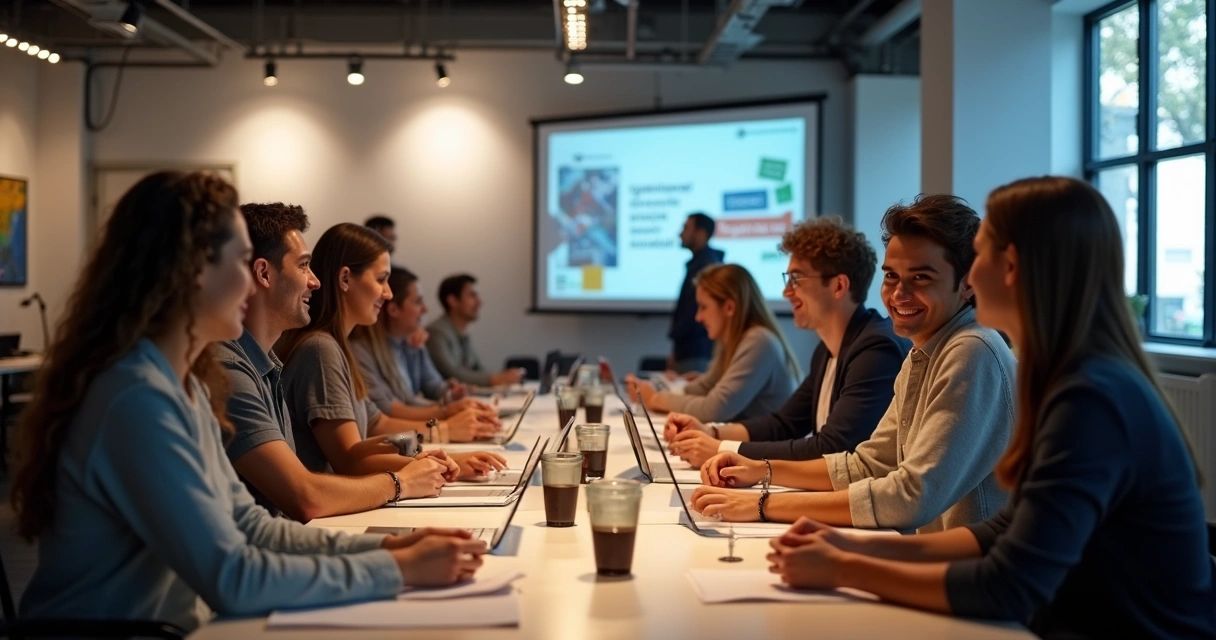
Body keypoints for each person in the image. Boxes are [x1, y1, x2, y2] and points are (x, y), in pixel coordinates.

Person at [12, 172, 486, 632]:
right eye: (241, 263)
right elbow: (231, 577)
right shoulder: (137, 399)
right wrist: (399, 572)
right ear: (192, 273)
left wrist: (391, 551)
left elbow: (252, 526)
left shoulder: (187, 386)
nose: (253, 281)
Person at [766, 177, 1215, 639]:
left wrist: (845, 570)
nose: (971, 276)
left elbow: (1009, 585)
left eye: (980, 255)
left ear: (1013, 268)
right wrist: (849, 549)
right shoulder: (1073, 379)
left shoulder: (1090, 397)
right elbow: (1000, 531)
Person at [693, 194, 1015, 534]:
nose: (899, 294)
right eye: (891, 276)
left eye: (921, 278)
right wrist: (762, 470)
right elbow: (870, 463)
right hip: (934, 563)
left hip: (963, 576)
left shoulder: (971, 351)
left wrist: (763, 504)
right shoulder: (926, 351)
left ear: (967, 283)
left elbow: (911, 495)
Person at [221, 203, 463, 522]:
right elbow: (311, 491)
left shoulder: (269, 363)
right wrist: (402, 480)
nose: (315, 282)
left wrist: (423, 453)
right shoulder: (242, 366)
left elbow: (375, 425)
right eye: (304, 266)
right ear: (264, 274)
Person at [663, 217, 909, 467]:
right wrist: (712, 432)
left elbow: (831, 448)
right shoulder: (828, 349)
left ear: (838, 286)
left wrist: (721, 449)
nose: (786, 292)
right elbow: (784, 424)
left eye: (796, 280)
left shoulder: (876, 351)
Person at [278, 224, 506, 478]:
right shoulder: (321, 349)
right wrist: (443, 463)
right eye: (381, 280)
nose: (387, 294)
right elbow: (349, 461)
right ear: (344, 279)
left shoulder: (337, 345)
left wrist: (449, 456)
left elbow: (379, 423)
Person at [626, 264, 801, 422]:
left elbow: (714, 410)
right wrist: (661, 389)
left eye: (703, 307)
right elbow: (704, 387)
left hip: (768, 454)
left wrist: (655, 398)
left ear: (729, 308)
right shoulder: (731, 339)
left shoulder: (758, 341)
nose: (698, 317)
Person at [352, 266, 498, 423]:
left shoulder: (411, 340)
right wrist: (446, 412)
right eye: (417, 302)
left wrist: (451, 394)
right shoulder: (362, 350)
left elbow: (432, 384)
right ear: (393, 309)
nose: (425, 309)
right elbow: (388, 409)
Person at [425, 273, 523, 388]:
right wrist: (495, 379)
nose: (479, 302)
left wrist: (503, 377)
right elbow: (450, 374)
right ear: (453, 301)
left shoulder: (462, 333)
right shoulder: (436, 332)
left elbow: (477, 369)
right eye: (472, 296)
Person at [667, 212, 724, 374]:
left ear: (701, 233)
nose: (680, 233)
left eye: (686, 228)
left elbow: (691, 318)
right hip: (688, 352)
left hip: (697, 353)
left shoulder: (708, 268)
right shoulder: (697, 265)